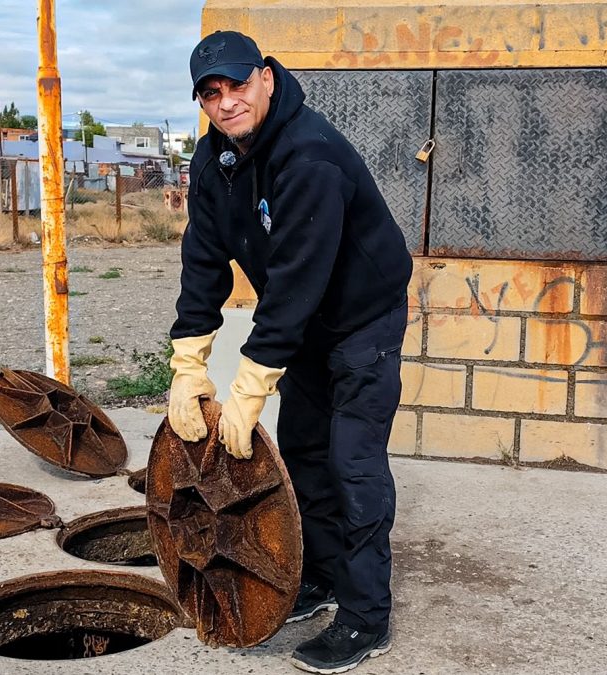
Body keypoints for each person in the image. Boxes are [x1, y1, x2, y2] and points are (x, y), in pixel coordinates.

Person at [167, 30, 413, 674]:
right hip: (304, 324)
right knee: (304, 450)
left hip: (363, 321)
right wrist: (188, 361)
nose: (226, 103)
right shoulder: (212, 159)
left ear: (268, 78)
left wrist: (249, 388)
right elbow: (203, 261)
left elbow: (297, 284)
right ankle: (326, 577)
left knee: (353, 463)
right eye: (210, 93)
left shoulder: (310, 158)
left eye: (237, 85)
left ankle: (366, 618)